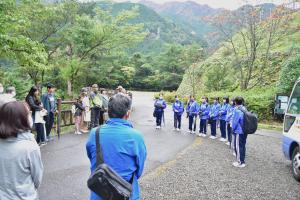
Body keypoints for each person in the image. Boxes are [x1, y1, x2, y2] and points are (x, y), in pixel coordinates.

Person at [86, 94, 147, 200]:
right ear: (128, 113)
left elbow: (91, 157)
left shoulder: (94, 133)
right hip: (126, 193)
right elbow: (139, 169)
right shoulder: (136, 136)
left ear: (108, 112)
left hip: (100, 192)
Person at [0, 101, 44, 199]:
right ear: (22, 118)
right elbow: (37, 179)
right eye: (28, 113)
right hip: (26, 196)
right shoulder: (30, 147)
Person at [232, 96, 247, 168]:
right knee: (242, 146)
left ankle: (240, 162)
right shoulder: (244, 108)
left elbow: (235, 121)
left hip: (239, 130)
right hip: (245, 130)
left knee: (238, 146)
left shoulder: (237, 110)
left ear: (235, 102)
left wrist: (232, 129)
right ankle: (242, 161)